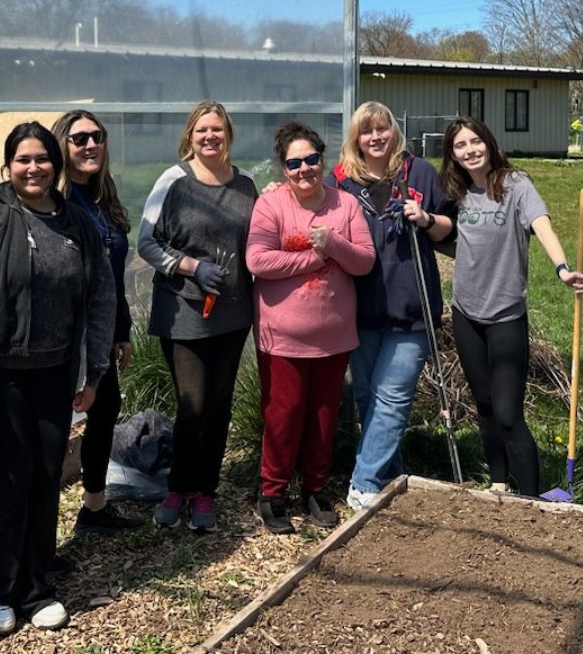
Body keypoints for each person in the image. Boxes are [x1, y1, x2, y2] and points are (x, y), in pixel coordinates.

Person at [0, 122, 115, 635]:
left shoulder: (75, 223)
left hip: (56, 373)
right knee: (10, 481)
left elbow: (101, 297)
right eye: (23, 159)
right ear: (8, 165)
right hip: (3, 374)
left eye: (42, 159)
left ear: (55, 166)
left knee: (47, 477)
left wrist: (94, 370)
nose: (34, 168)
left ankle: (37, 587)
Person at [440, 117, 583, 497]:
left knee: (508, 415)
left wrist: (563, 269)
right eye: (461, 145)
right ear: (453, 154)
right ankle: (499, 483)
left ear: (488, 143)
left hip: (505, 313)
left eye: (475, 141)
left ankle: (531, 499)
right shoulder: (456, 193)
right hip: (465, 312)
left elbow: (542, 225)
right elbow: (447, 234)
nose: (470, 150)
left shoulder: (515, 185)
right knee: (486, 407)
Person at [246, 121, 375, 534]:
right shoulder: (272, 206)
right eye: (294, 163)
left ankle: (316, 488)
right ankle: (273, 492)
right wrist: (315, 259)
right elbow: (258, 261)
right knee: (282, 415)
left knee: (323, 417)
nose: (304, 169)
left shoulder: (345, 206)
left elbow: (364, 261)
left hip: (333, 336)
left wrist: (333, 244)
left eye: (311, 159)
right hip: (282, 338)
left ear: (323, 159)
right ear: (284, 169)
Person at [325, 102, 455, 510]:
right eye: (367, 131)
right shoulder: (341, 180)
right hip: (359, 307)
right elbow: (308, 204)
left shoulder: (418, 173)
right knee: (368, 397)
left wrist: (426, 217)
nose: (376, 137)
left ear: (394, 131)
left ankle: (362, 483)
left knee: (394, 396)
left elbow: (450, 227)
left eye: (382, 128)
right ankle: (391, 477)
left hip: (411, 304)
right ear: (356, 139)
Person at [137, 100, 257, 533]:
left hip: (232, 311)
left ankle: (205, 492)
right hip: (183, 309)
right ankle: (179, 487)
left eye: (218, 130)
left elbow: (256, 244)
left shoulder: (245, 185)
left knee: (219, 404)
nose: (211, 137)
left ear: (228, 136)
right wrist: (190, 267)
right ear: (190, 135)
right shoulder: (173, 181)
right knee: (193, 405)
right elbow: (146, 244)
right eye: (203, 130)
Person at [50, 109, 141, 534]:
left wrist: (121, 331)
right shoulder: (54, 202)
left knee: (105, 411)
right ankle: (40, 534)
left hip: (101, 333)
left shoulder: (103, 198)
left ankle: (95, 508)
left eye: (97, 136)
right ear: (62, 146)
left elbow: (113, 277)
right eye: (79, 138)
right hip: (63, 335)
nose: (91, 145)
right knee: (54, 427)